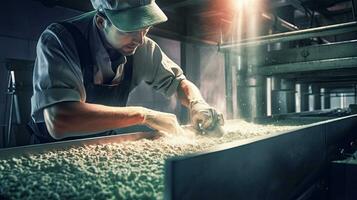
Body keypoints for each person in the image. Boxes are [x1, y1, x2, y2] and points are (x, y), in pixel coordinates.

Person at [29, 0, 221, 144]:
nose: (139, 39)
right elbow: (60, 120)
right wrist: (144, 115)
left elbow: (179, 82)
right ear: (101, 21)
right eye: (130, 29)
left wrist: (198, 103)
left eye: (145, 28)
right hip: (53, 149)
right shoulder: (60, 40)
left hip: (103, 146)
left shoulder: (142, 47)